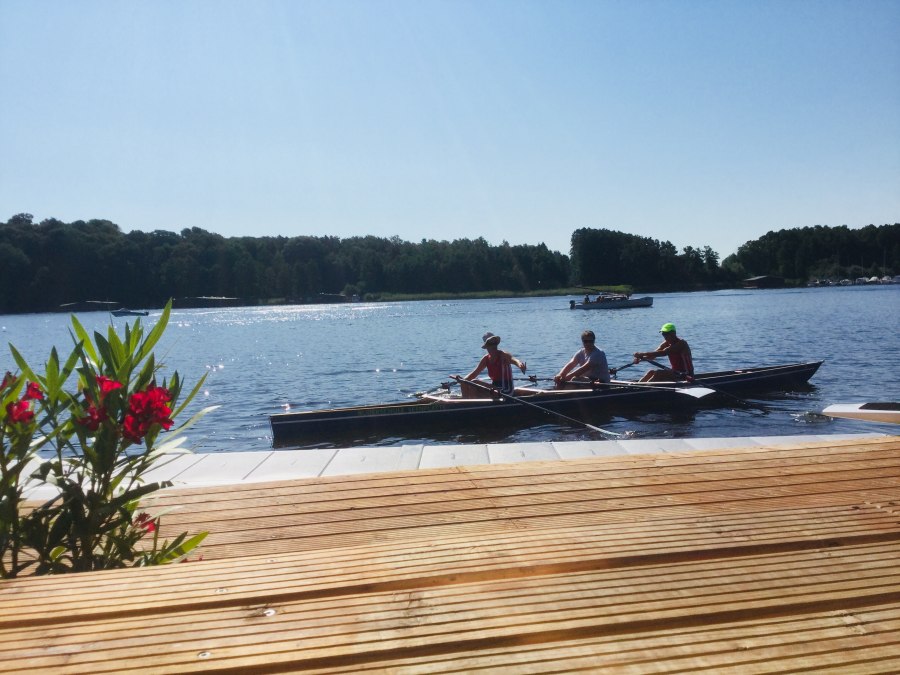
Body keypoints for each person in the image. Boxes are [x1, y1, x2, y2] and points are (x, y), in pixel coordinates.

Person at [458, 332, 527, 396]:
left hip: (506, 391)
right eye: (491, 344)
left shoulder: (503, 355)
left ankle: (471, 405)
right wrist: (463, 380)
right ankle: (466, 403)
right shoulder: (486, 359)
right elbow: (474, 373)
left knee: (475, 382)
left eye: (495, 343)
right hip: (494, 389)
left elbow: (514, 360)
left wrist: (520, 365)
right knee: (465, 382)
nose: (494, 346)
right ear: (486, 346)